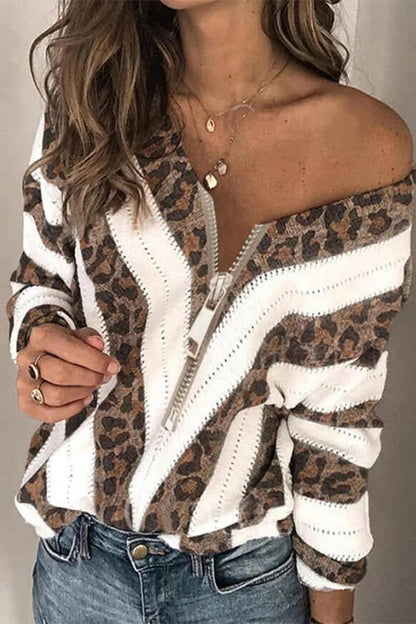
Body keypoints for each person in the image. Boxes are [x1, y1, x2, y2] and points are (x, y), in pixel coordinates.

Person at [6, 0, 415, 623]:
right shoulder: (95, 98)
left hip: (244, 588)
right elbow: (41, 279)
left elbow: (336, 418)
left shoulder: (364, 146)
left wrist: (334, 607)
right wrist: (40, 348)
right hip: (78, 571)